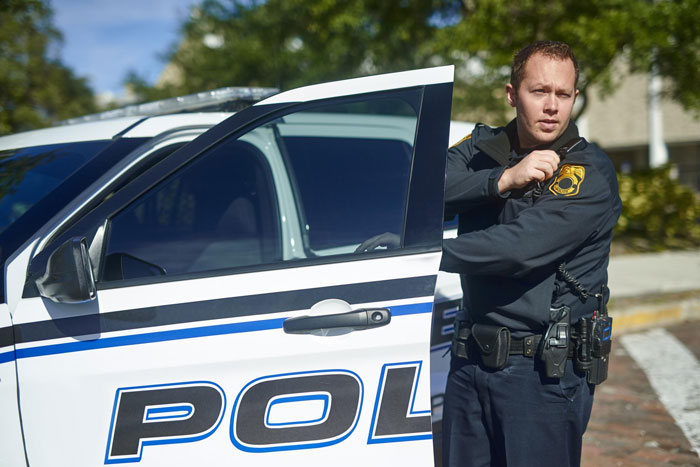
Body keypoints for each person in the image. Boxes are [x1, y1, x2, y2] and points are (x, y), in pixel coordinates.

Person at [439, 41, 622, 467]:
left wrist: (426, 254)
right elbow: (423, 192)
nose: (552, 106)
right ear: (511, 94)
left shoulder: (587, 172)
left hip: (541, 375)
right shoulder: (484, 147)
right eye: (539, 91)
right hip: (469, 363)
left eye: (564, 94)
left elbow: (518, 249)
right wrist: (499, 180)